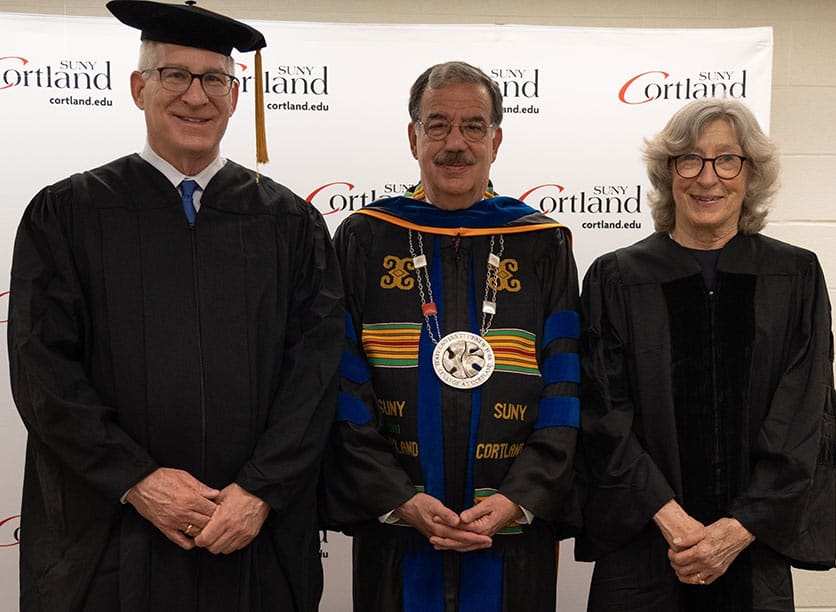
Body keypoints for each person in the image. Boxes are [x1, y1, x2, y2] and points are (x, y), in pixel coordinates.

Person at [7, 2, 343, 611]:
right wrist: (136, 480)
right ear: (140, 88)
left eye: (215, 79)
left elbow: (316, 375)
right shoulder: (69, 212)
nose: (197, 96)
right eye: (176, 75)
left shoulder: (289, 222)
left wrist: (259, 490)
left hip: (251, 534)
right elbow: (42, 370)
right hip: (111, 533)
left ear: (235, 97)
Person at [321, 60, 581, 611]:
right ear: (413, 137)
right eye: (437, 125)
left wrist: (519, 497)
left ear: (496, 140)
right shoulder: (365, 238)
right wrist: (397, 497)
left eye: (473, 126)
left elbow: (566, 385)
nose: (455, 143)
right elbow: (342, 384)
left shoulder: (542, 243)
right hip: (398, 531)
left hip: (512, 533)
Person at [575, 98, 836, 611]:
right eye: (689, 159)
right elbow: (603, 413)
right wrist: (674, 521)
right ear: (668, 172)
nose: (707, 177)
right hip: (646, 547)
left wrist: (737, 529)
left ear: (751, 173)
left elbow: (804, 416)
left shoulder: (794, 276)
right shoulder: (618, 278)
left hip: (752, 549)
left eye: (727, 159)